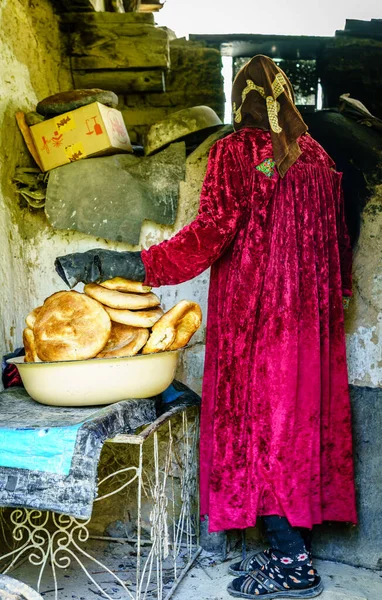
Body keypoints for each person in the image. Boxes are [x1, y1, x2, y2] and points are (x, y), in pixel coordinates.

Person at [55, 55, 356, 599]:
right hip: (310, 325)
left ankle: (293, 568)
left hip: (257, 319)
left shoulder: (236, 152)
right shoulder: (316, 155)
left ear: (240, 100)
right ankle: (293, 553)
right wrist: (328, 303)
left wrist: (119, 263)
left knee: (263, 432)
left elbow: (206, 237)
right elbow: (338, 250)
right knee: (296, 430)